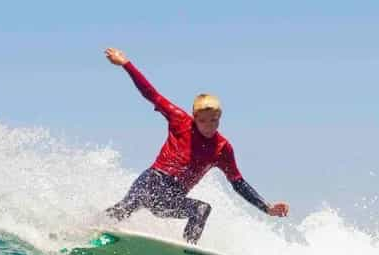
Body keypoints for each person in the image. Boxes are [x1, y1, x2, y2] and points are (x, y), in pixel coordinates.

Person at [104, 48, 289, 244]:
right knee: (125, 208)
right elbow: (151, 93)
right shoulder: (180, 120)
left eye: (214, 120)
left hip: (172, 197)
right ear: (195, 118)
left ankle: (187, 252)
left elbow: (238, 183)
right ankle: (88, 228)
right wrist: (126, 64)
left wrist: (266, 208)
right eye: (204, 121)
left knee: (202, 209)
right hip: (152, 181)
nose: (210, 126)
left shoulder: (222, 148)